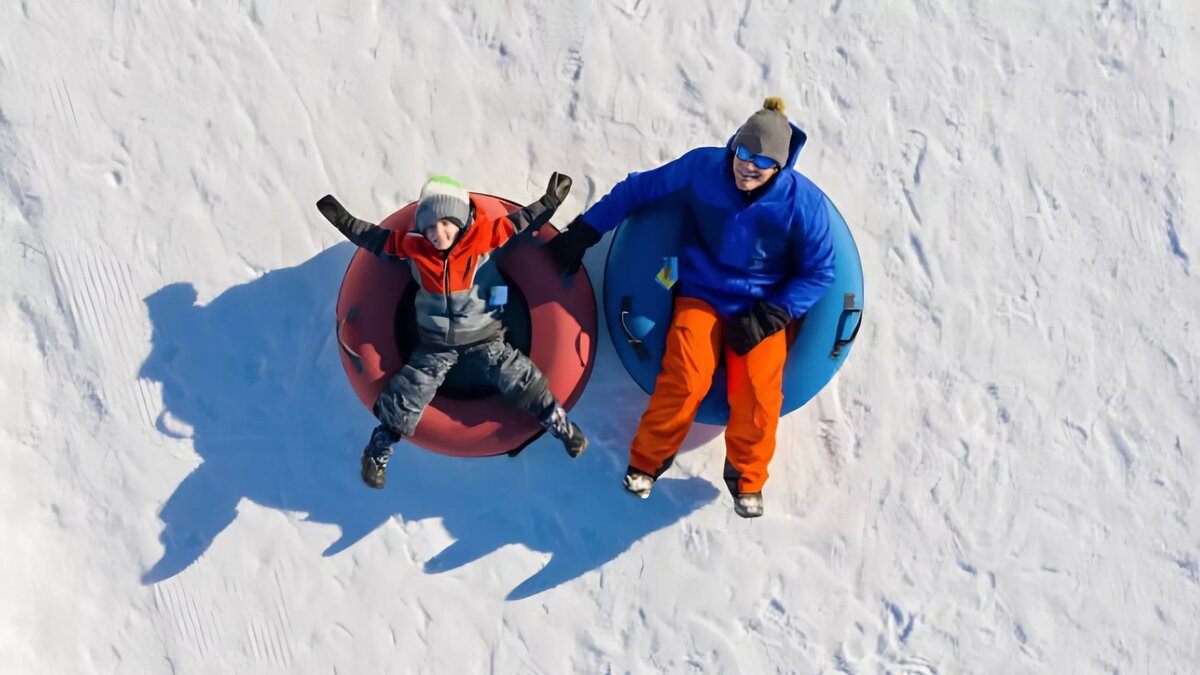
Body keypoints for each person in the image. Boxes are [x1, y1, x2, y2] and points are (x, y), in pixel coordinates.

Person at [546, 98, 835, 518]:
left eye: (759, 161)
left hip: (762, 305)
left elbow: (821, 270)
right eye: (742, 152)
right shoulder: (704, 169)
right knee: (685, 377)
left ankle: (747, 479)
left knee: (758, 391)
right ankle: (647, 463)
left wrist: (773, 314)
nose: (746, 166)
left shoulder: (801, 202)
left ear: (779, 166)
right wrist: (585, 231)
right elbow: (638, 188)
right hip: (703, 293)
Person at [317, 174, 588, 489]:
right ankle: (378, 451)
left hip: (485, 337)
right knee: (411, 391)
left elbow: (521, 222)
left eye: (446, 224)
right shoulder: (414, 248)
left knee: (517, 375)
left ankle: (559, 424)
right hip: (436, 345)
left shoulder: (483, 239)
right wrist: (343, 221)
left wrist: (550, 201)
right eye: (430, 227)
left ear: (461, 222)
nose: (438, 233)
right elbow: (375, 240)